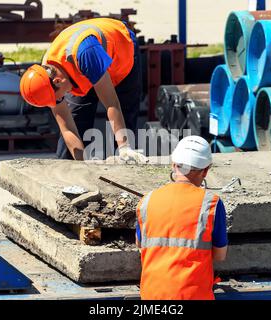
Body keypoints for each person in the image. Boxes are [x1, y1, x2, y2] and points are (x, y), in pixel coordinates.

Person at [20, 18, 147, 163]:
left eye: (55, 99)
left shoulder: (86, 53)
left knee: (123, 116)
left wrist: (124, 147)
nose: (56, 103)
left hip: (121, 51)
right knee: (77, 119)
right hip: (84, 67)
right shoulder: (47, 74)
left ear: (58, 81)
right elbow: (67, 128)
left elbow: (112, 104)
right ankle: (65, 174)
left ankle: (125, 163)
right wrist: (83, 166)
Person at [136, 136, 228, 300]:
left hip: (152, 296)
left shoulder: (146, 201)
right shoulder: (211, 203)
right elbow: (220, 256)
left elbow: (140, 244)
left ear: (173, 165)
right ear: (205, 170)